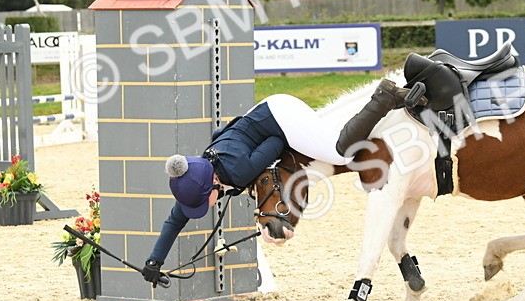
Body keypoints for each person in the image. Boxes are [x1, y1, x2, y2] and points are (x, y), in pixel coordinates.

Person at [141, 79, 413, 284]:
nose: (206, 206)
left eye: (205, 202)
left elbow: (276, 143)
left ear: (213, 183)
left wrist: (259, 174)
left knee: (337, 152)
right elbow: (175, 219)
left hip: (282, 120)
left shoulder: (237, 172)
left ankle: (383, 98)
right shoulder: (201, 171)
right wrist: (154, 262)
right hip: (267, 108)